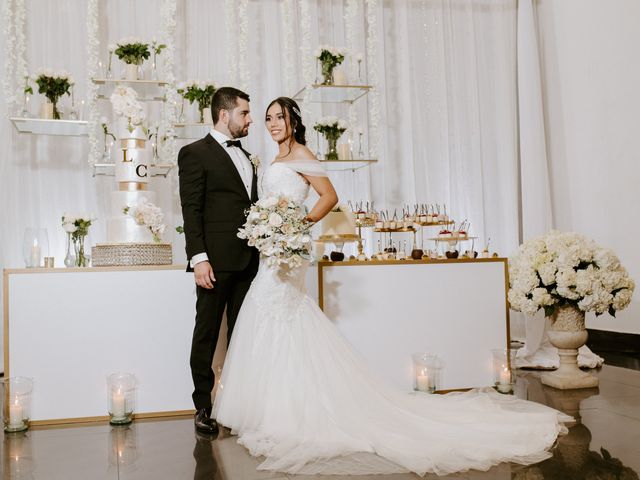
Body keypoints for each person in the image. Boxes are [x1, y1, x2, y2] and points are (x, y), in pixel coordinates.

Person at [213, 97, 571, 476]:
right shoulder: (272, 160)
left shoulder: (302, 152)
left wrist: (297, 226)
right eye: (268, 119)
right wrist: (270, 229)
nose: (272, 124)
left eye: (278, 118)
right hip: (273, 251)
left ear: (293, 121)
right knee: (269, 315)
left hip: (288, 248)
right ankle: (272, 408)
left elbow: (330, 197)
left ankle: (293, 412)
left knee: (283, 313)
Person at [178, 87, 259, 435]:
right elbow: (190, 209)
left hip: (249, 262)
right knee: (207, 333)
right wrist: (199, 259)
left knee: (245, 335)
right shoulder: (194, 153)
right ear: (224, 115)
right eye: (245, 113)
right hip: (214, 262)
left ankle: (241, 406)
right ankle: (202, 407)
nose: (250, 119)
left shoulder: (249, 155)